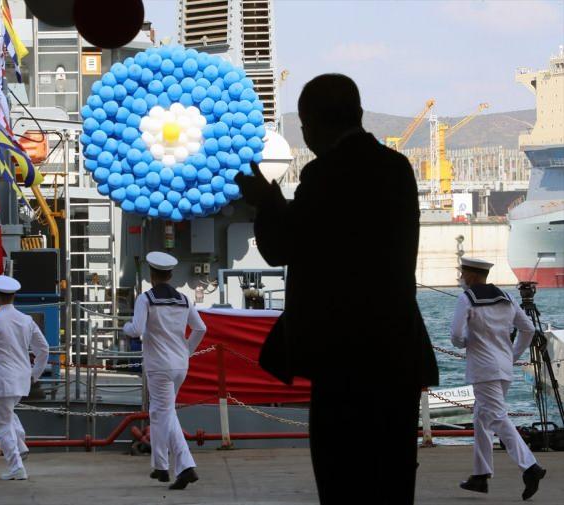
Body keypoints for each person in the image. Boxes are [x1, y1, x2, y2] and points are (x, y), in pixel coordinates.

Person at [234, 73, 439, 504]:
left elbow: (281, 248)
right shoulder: (397, 168)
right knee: (392, 480)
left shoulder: (324, 174)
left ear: (310, 126)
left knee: (342, 479)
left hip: (343, 359)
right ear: (358, 114)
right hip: (397, 353)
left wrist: (266, 202)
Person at [451, 257, 546, 500]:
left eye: (462, 273)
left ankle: (530, 467)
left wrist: (467, 342)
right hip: (503, 367)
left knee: (496, 417)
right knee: (482, 417)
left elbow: (456, 337)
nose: (460, 277)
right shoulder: (507, 297)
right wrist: (512, 355)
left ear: (471, 276)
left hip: (484, 370)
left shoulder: (466, 299)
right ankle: (480, 475)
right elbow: (528, 329)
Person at [123, 251, 207, 490]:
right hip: (180, 365)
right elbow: (200, 328)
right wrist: (187, 351)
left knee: (164, 413)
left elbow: (137, 329)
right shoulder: (184, 299)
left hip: (159, 366)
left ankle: (185, 466)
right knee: (161, 413)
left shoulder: (146, 299)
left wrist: (125, 327)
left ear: (151, 275)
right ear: (170, 275)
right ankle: (161, 467)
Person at [0, 275, 49, 481]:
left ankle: (16, 467)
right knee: (8, 413)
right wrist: (35, 374)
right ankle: (20, 444)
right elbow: (43, 349)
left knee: (2, 425)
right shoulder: (26, 320)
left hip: (2, 380)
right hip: (22, 379)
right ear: (14, 296)